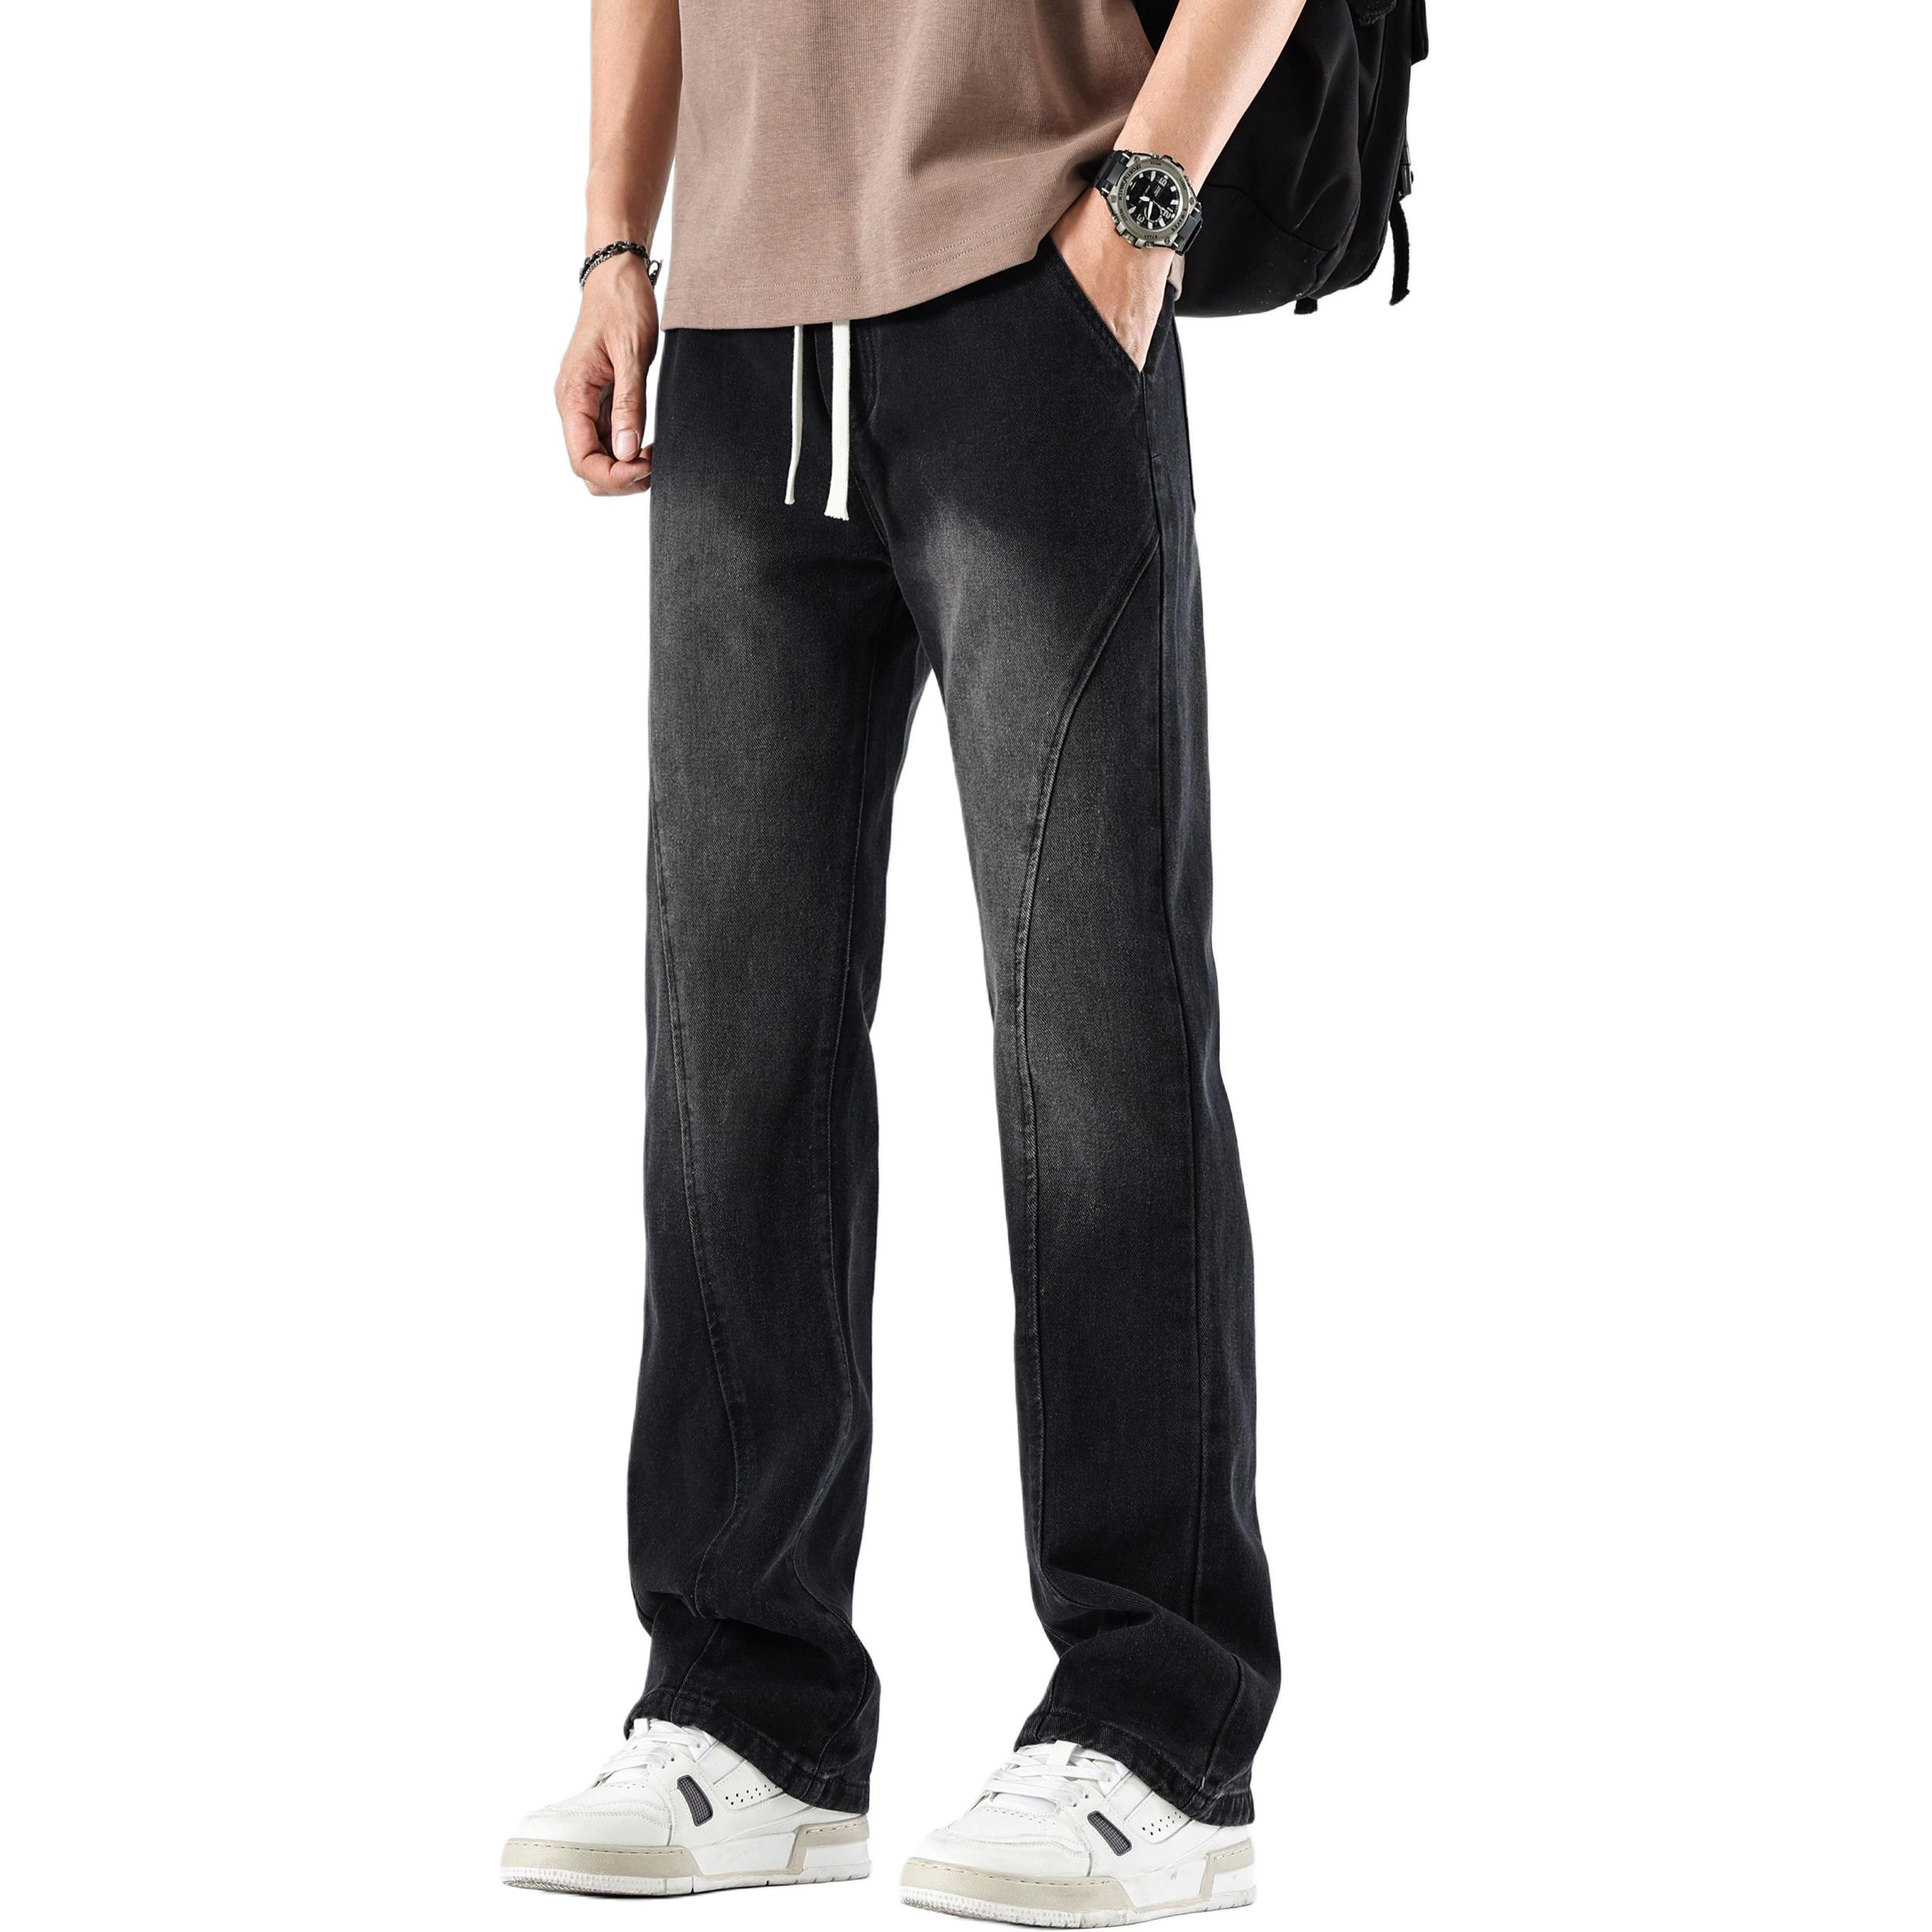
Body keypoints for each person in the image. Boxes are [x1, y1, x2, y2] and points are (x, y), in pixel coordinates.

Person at [503, 1, 1307, 1920]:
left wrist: (1141, 211)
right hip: (737, 327)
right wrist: (616, 239)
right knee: (732, 1037)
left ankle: (1161, 1723)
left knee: (1095, 1030)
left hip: (1034, 288)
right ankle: (745, 1705)